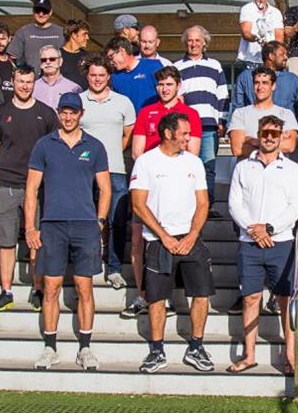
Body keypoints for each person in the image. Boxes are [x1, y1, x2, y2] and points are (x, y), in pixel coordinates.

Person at [26, 93, 111, 371]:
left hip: (85, 225)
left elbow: (106, 188)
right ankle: (50, 348)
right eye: (64, 112)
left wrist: (99, 221)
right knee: (50, 287)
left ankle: (85, 348)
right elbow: (31, 190)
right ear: (58, 113)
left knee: (85, 287)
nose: (68, 117)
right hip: (52, 224)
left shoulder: (95, 146)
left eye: (73, 112)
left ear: (81, 114)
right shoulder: (44, 145)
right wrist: (30, 227)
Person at [131, 113, 215, 374]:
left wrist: (191, 235)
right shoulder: (145, 162)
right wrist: (164, 236)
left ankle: (196, 346)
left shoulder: (194, 162)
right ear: (168, 134)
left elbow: (203, 203)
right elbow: (138, 204)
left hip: (191, 240)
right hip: (158, 242)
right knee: (156, 299)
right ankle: (157, 351)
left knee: (201, 295)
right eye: (184, 133)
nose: (189, 138)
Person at [227, 115, 298, 375]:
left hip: (281, 242)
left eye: (275, 133)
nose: (269, 137)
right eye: (265, 133)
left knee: (285, 300)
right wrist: (255, 230)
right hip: (249, 242)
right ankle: (249, 355)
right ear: (259, 134)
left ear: (282, 136)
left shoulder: (292, 169)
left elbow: (296, 205)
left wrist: (270, 229)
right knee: (251, 298)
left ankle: (291, 357)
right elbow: (234, 204)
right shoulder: (242, 167)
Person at [124, 66, 203, 318]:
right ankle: (143, 294)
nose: (164, 89)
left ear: (178, 86)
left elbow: (193, 152)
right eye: (160, 85)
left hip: (177, 189)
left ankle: (166, 296)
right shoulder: (146, 111)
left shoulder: (190, 113)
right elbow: (137, 150)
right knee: (138, 240)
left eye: (169, 84)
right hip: (148, 184)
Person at [0, 66, 59, 313]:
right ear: (13, 82)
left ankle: (37, 289)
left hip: (37, 186)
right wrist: (7, 166)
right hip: (7, 184)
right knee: (6, 241)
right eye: (20, 81)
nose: (25, 86)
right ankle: (6, 291)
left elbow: (53, 147)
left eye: (29, 82)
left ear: (34, 83)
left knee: (36, 239)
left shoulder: (46, 113)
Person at [77, 55, 136, 290]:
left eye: (102, 75)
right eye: (93, 75)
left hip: (115, 170)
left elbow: (128, 135)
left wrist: (108, 153)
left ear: (108, 76)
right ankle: (88, 265)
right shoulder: (78, 101)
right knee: (86, 221)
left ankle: (114, 268)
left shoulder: (123, 102)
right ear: (87, 76)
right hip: (83, 172)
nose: (97, 79)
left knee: (117, 221)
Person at [175, 25, 228, 217]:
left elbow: (222, 94)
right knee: (185, 166)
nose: (194, 44)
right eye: (190, 40)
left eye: (198, 40)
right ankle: (187, 205)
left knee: (208, 166)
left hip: (208, 125)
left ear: (204, 42)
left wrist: (221, 120)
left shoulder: (215, 65)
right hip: (185, 127)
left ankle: (208, 206)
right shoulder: (177, 67)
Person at [228, 67, 298, 158]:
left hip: (278, 170)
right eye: (256, 83)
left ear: (273, 86)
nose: (260, 87)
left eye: (265, 83)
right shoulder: (240, 114)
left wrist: (253, 140)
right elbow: (237, 149)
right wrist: (275, 141)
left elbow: (290, 146)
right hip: (249, 170)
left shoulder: (286, 114)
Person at [232, 41, 298, 122]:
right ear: (271, 56)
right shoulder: (246, 77)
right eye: (282, 54)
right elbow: (238, 107)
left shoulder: (292, 80)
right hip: (253, 129)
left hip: (285, 130)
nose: (285, 57)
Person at [236, 0, 284, 72]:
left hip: (270, 60)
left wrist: (270, 47)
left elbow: (279, 37)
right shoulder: (247, 9)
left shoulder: (275, 12)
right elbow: (246, 32)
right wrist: (257, 39)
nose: (261, 0)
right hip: (250, 59)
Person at [7, 0, 64, 73]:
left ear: (50, 12)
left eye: (45, 11)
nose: (41, 14)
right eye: (38, 10)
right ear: (33, 11)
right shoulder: (23, 32)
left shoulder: (61, 32)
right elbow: (11, 58)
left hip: (56, 81)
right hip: (31, 82)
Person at [106, 37, 159, 114]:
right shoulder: (115, 77)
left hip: (153, 122)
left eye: (111, 56)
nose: (111, 62)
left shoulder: (153, 67)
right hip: (129, 124)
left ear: (122, 51)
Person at [33, 44, 82, 110]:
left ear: (60, 61)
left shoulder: (73, 88)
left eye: (52, 59)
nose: (48, 62)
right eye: (43, 60)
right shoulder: (32, 88)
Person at [59, 19, 90, 89]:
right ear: (73, 35)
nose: (88, 38)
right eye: (84, 34)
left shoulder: (88, 57)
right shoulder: (56, 56)